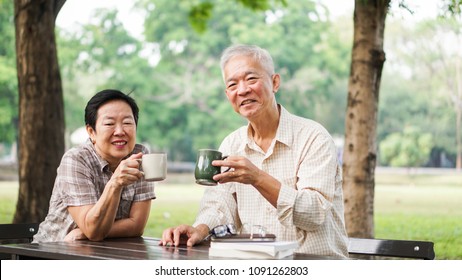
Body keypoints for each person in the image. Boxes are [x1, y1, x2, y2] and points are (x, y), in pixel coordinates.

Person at [160, 45, 349, 258]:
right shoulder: (232, 143)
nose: (242, 90)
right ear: (227, 94)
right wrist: (199, 229)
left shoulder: (313, 137)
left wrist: (257, 178)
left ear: (275, 82)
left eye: (251, 79)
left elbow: (313, 214)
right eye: (232, 84)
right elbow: (219, 205)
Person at [33, 89, 156, 242]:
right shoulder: (76, 159)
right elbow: (94, 230)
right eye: (110, 123)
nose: (119, 131)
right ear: (91, 132)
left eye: (127, 123)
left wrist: (83, 233)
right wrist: (115, 183)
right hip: (51, 253)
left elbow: (136, 225)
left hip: (103, 253)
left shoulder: (140, 156)